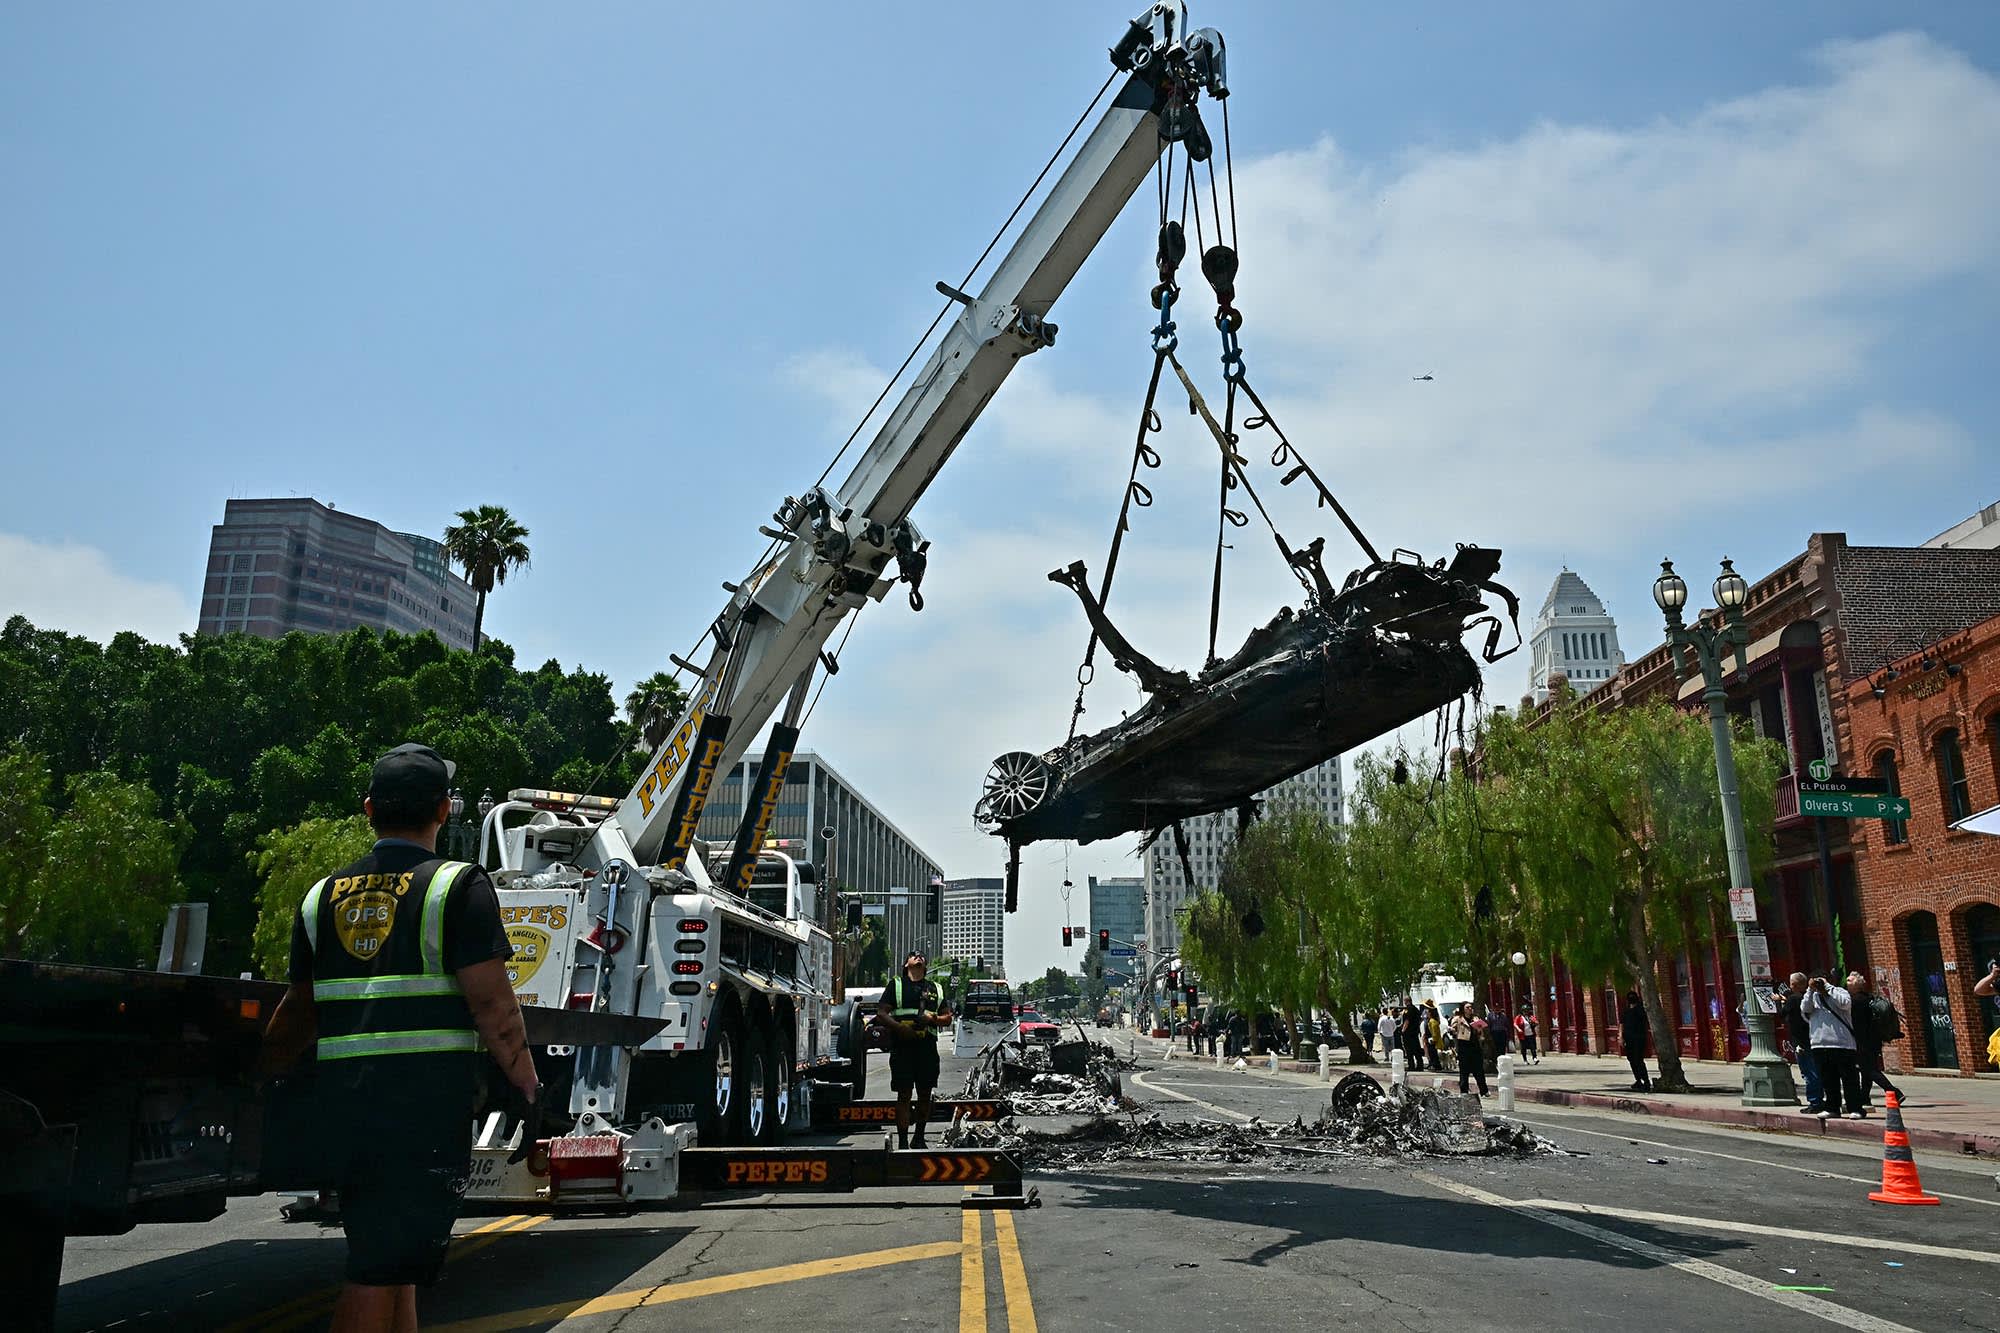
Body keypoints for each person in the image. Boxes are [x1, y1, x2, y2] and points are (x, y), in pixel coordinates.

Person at [259, 743, 535, 1333]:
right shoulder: (457, 886)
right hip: (421, 1107)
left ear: (367, 810)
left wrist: (265, 1072)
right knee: (376, 1268)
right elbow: (494, 1004)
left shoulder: (320, 896)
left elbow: (298, 1010)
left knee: (394, 1260)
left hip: (345, 1105)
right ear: (445, 809)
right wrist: (526, 1081)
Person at [879, 952, 952, 1149]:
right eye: (913, 955)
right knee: (904, 1095)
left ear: (925, 965)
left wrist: (933, 1019)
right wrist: (899, 1028)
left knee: (924, 1094)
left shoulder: (935, 988)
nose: (918, 957)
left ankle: (919, 1137)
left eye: (921, 956)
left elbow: (948, 1018)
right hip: (903, 1047)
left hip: (927, 1048)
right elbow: (882, 1013)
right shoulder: (896, 985)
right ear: (906, 964)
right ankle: (903, 1141)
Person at [1801, 973, 1864, 1119]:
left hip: (1842, 1044)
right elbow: (1805, 1009)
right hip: (1819, 1044)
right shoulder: (1812, 997)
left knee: (1849, 1079)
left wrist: (1827, 987)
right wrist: (1810, 990)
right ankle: (1832, 1108)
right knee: (1828, 1080)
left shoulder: (1840, 992)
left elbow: (1844, 1003)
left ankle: (1855, 1108)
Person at [1847, 972, 1904, 1110]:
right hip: (1874, 1040)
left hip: (1862, 1041)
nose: (1846, 983)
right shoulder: (1869, 997)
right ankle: (1865, 1099)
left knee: (1870, 1070)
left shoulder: (1855, 1002)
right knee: (1866, 1071)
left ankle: (1893, 1092)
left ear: (1856, 985)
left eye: (1849, 981)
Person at [1777, 972, 1823, 1114]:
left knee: (1809, 1072)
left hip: (1801, 1042)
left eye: (1791, 983)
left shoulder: (1793, 999)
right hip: (1815, 1038)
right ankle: (1821, 1099)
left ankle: (1815, 1102)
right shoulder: (1812, 997)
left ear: (1794, 985)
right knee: (1817, 1070)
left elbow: (1782, 1014)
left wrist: (1779, 1002)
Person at [1450, 1003, 1489, 1095]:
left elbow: (1481, 1031)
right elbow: (1453, 1030)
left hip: (1475, 1046)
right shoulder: (1458, 1019)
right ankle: (1464, 1091)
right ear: (1463, 1009)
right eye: (1467, 1007)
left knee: (1479, 1070)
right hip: (1463, 1046)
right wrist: (1453, 1031)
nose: (1470, 1009)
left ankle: (1484, 1090)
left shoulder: (1475, 1019)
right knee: (1464, 1071)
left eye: (1471, 1007)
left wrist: (1480, 1032)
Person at [1619, 990, 1652, 1091]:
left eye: (1633, 997)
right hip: (1629, 1039)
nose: (1631, 999)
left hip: (1639, 1038)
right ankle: (1638, 1080)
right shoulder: (1626, 1011)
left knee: (1639, 1060)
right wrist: (1620, 1037)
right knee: (1632, 1060)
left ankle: (1646, 1081)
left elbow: (1646, 1023)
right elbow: (1622, 1024)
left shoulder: (1641, 1010)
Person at [1424, 1001, 1444, 1071]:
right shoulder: (1431, 1020)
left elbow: (1434, 1032)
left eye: (1428, 1011)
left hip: (1432, 1040)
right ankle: (1434, 1065)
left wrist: (1433, 1039)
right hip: (1430, 1039)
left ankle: (1436, 1066)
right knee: (1431, 1053)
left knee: (1433, 1053)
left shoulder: (1432, 1021)